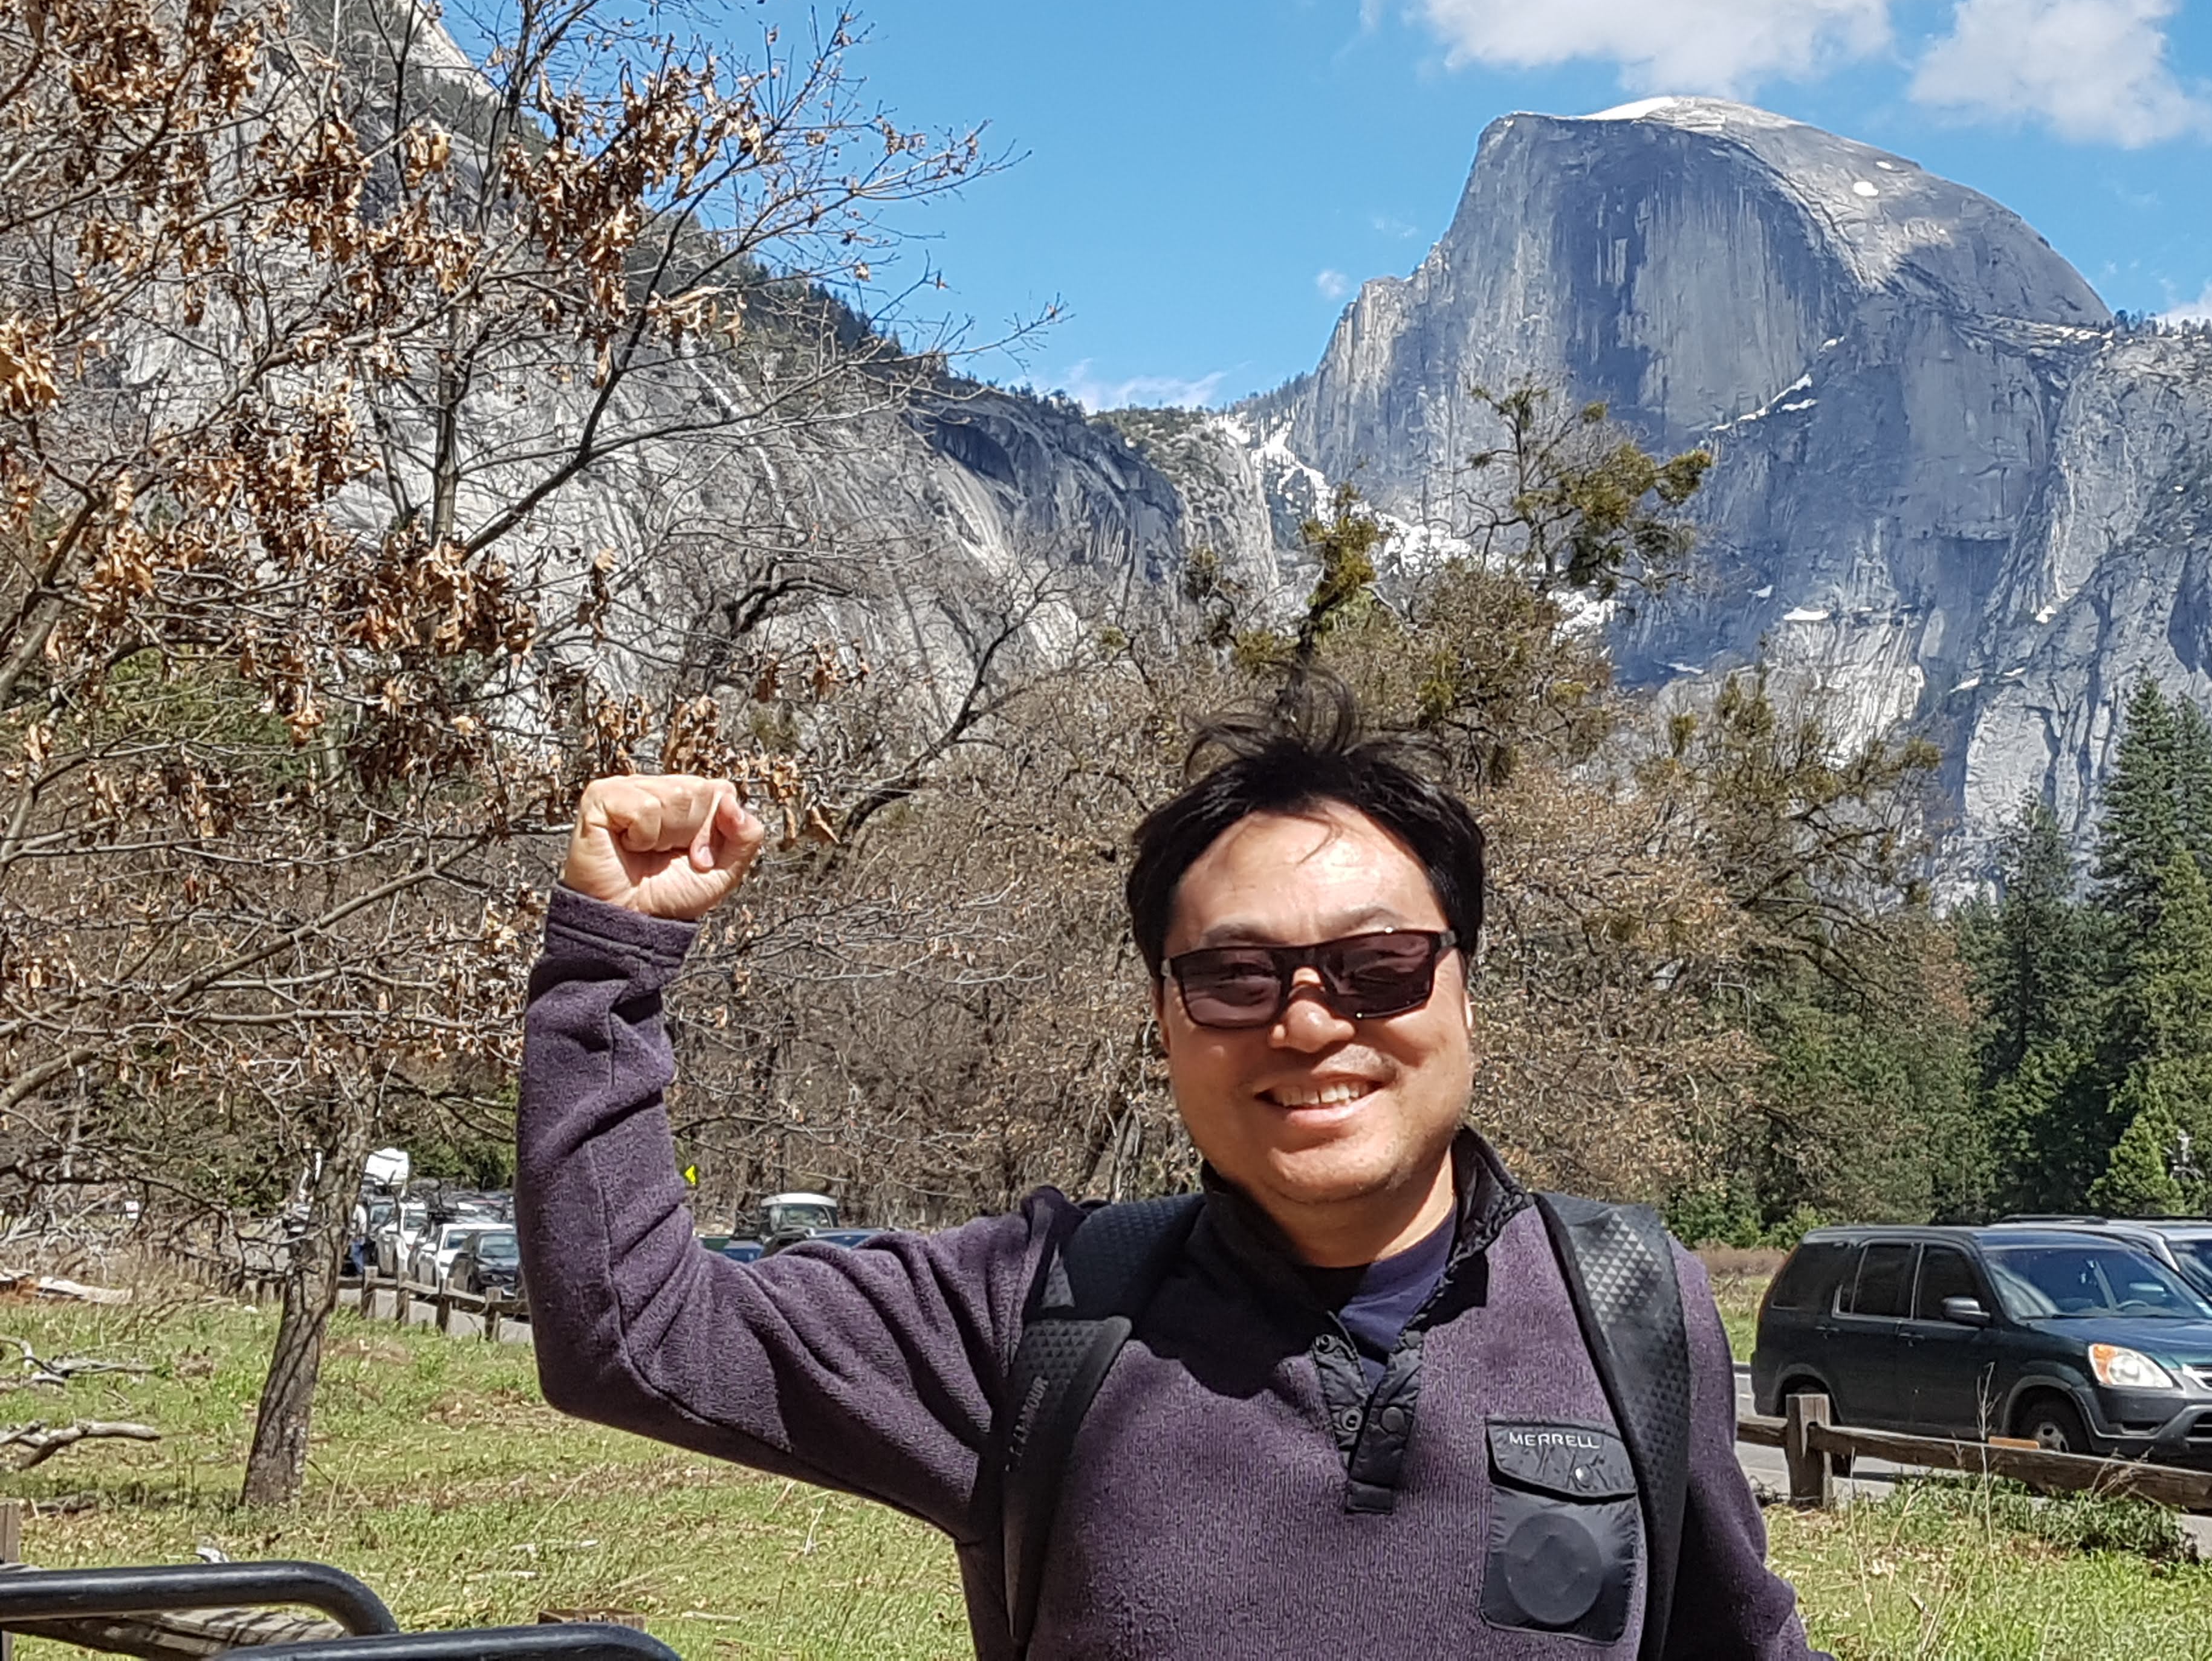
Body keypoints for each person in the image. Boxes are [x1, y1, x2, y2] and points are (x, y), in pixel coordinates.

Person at [518, 697, 1829, 1659]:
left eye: (1377, 969)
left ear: (1464, 993)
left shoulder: (1630, 1309)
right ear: (1165, 1022)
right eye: (1235, 977)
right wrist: (611, 956)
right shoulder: (1036, 1311)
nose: (1308, 1023)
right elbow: (633, 1332)